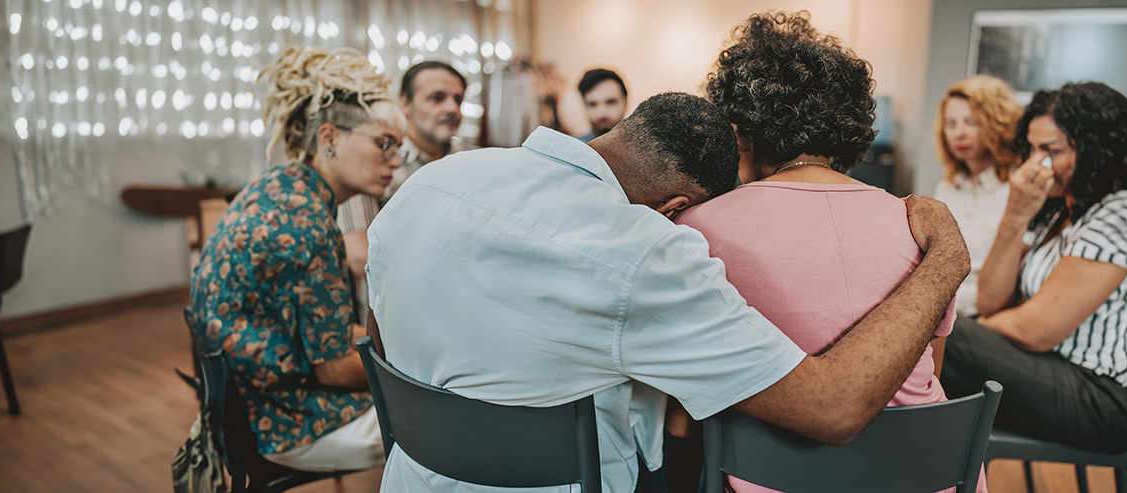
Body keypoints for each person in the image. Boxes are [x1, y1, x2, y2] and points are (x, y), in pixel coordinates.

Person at [365, 92, 970, 492]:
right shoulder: (644, 254)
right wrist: (943, 261)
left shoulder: (434, 181)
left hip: (413, 473)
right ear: (678, 208)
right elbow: (831, 409)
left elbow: (380, 328)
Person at [678, 12, 978, 492]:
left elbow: (687, 396)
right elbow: (927, 370)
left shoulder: (697, 229)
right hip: (925, 474)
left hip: (774, 477)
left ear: (740, 131)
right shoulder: (920, 224)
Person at [188, 46, 406, 471]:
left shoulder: (277, 187)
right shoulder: (307, 224)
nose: (395, 162)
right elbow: (334, 373)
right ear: (328, 138)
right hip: (282, 422)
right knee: (450, 427)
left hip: (240, 405)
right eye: (384, 144)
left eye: (397, 147)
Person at [937, 82, 1127, 455]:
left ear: (1097, 150)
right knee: (938, 338)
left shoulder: (1126, 210)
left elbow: (1035, 330)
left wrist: (960, 330)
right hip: (1052, 369)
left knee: (937, 330)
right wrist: (1015, 213)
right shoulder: (1059, 211)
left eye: (1051, 151)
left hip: (1105, 399)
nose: (1034, 165)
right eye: (1031, 149)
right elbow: (993, 298)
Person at [338, 61, 467, 281]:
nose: (452, 109)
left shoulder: (471, 164)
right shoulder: (372, 161)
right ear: (405, 103)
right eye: (437, 98)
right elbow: (361, 257)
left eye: (458, 100)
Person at [932, 75, 1023, 317]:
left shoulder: (1017, 189)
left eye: (970, 122)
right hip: (938, 300)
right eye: (951, 124)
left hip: (978, 312)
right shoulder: (948, 186)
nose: (958, 133)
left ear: (996, 123)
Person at [576, 68, 628, 142]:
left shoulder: (646, 149)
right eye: (592, 104)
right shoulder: (571, 149)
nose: (602, 113)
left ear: (625, 102)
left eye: (611, 102)